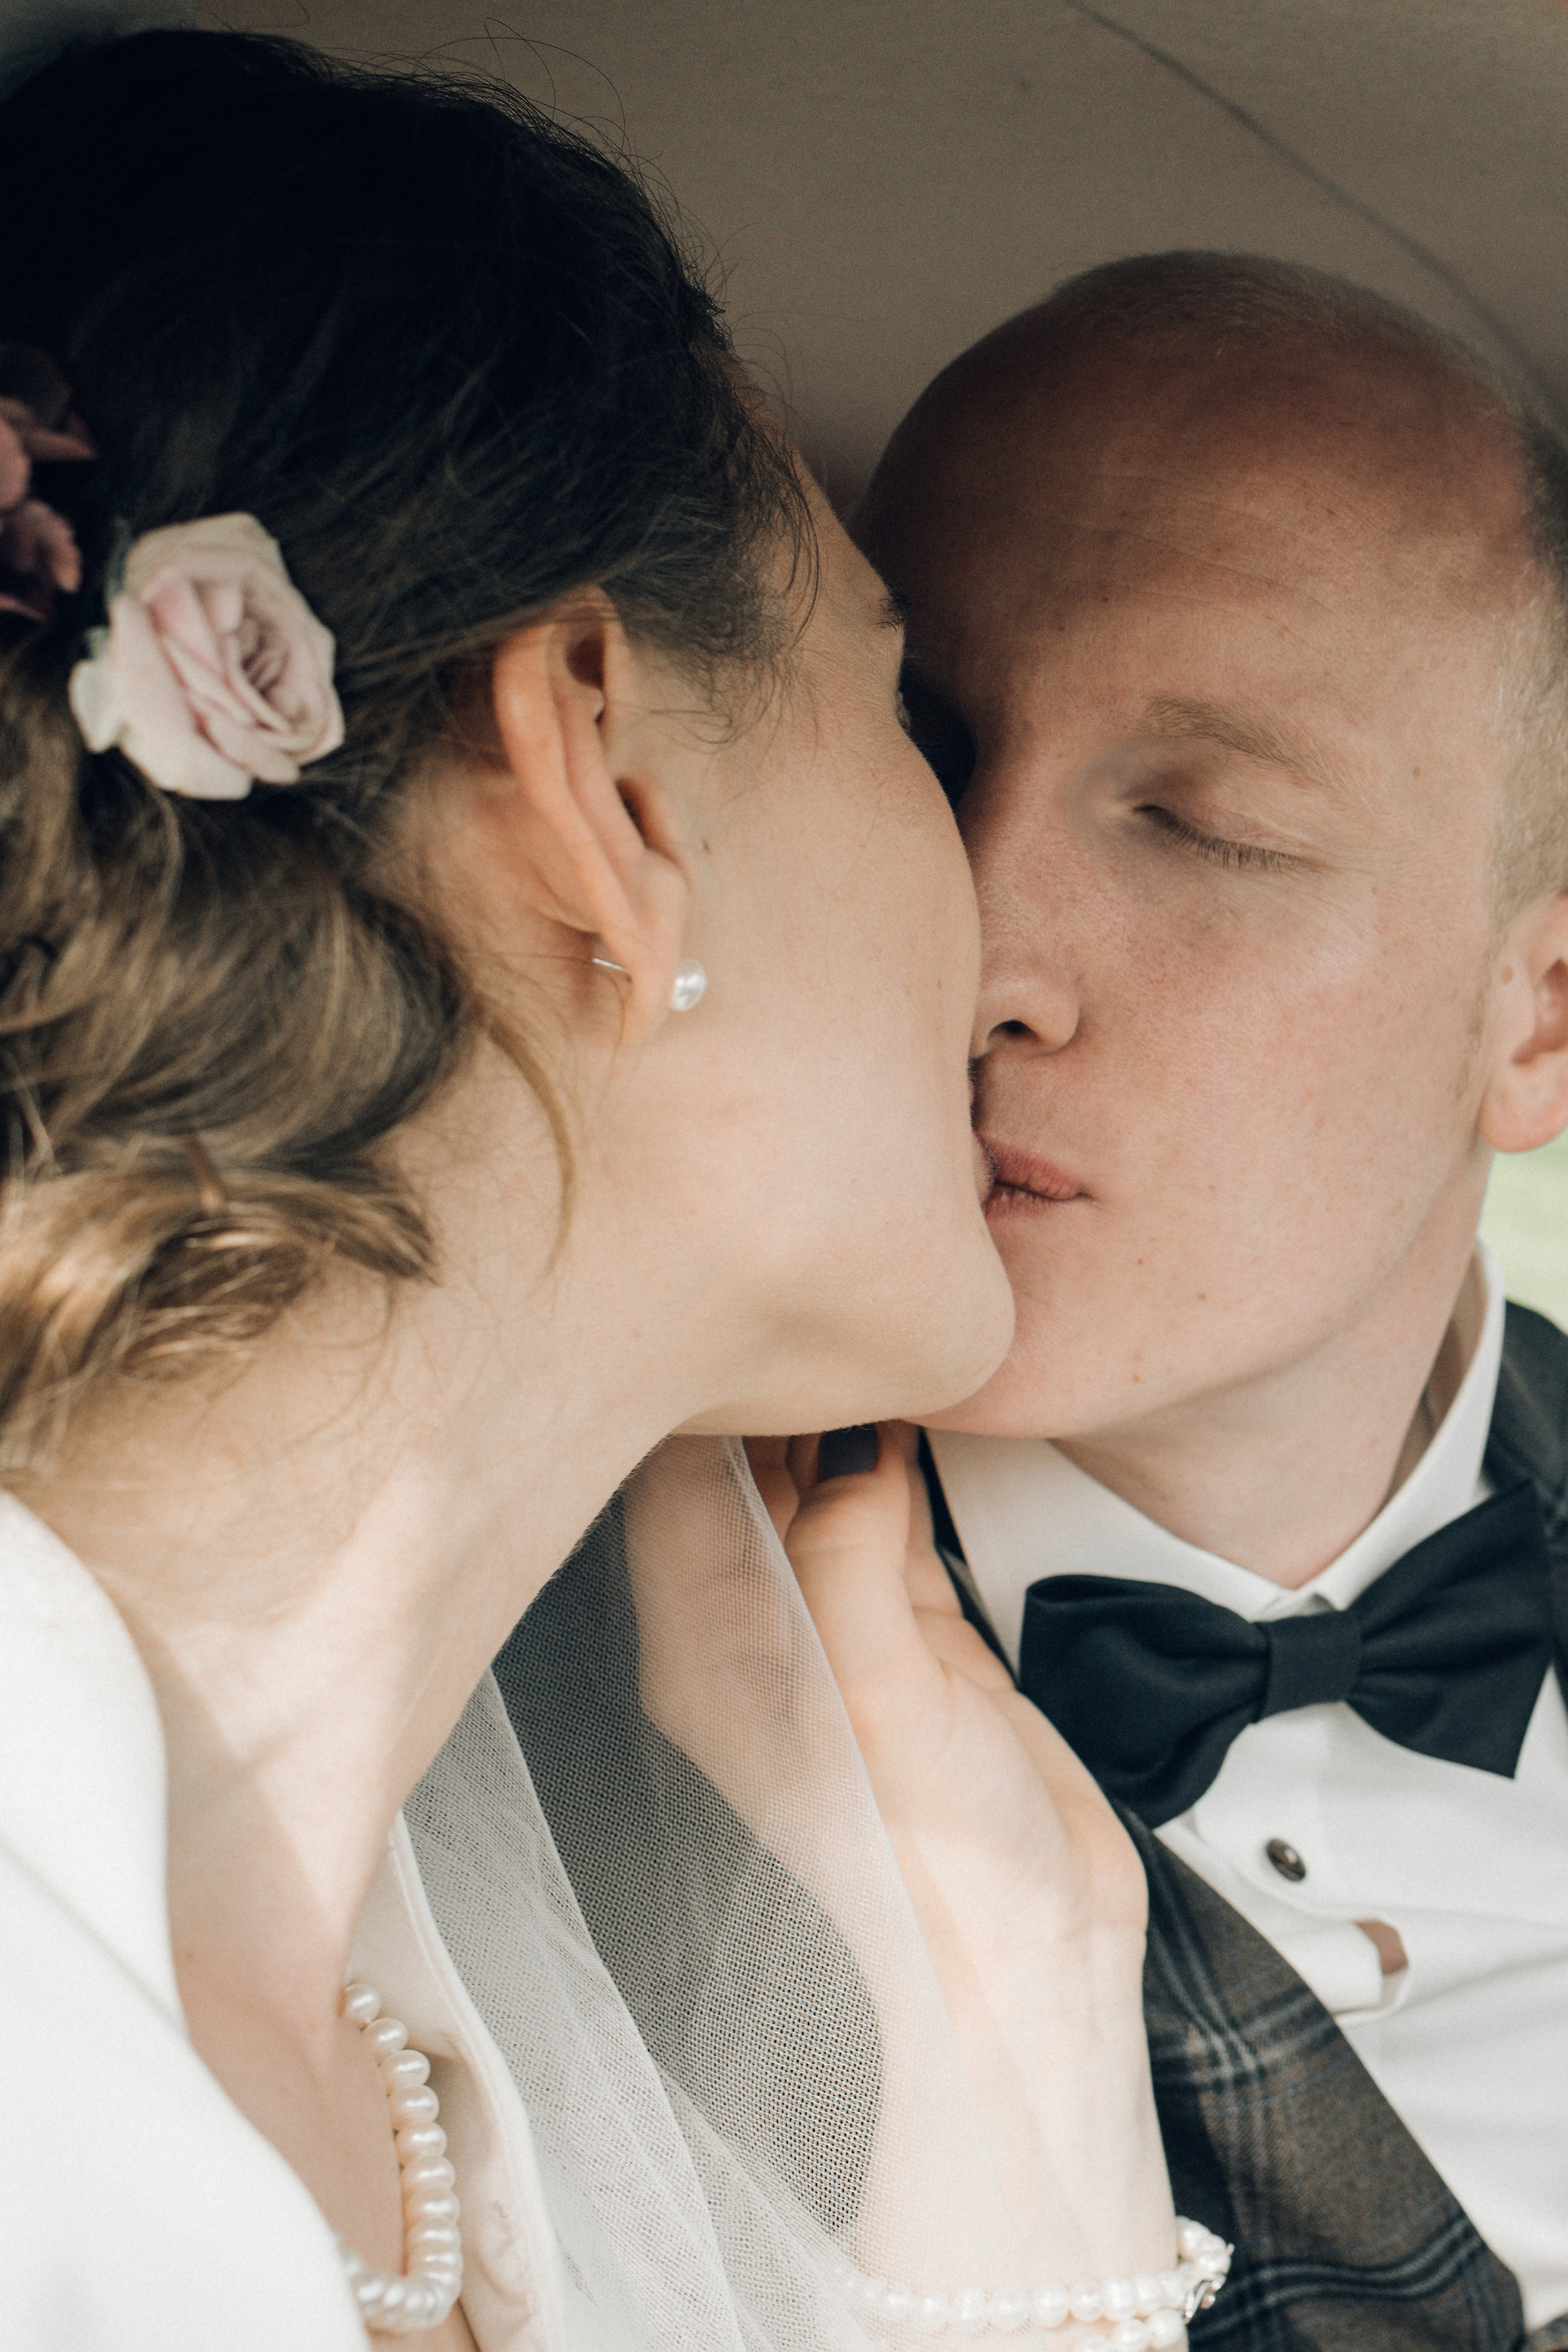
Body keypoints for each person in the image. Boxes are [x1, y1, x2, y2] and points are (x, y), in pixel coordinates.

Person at [0, 31, 1223, 2352]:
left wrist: (1022, 1991)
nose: (1011, 940)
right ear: (599, 787)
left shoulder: (426, 2061)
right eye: (913, 726)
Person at [853, 252, 1568, 2350]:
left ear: (1537, 1018)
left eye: (1204, 824)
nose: (980, 952)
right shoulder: (552, 1696)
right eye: (918, 755)